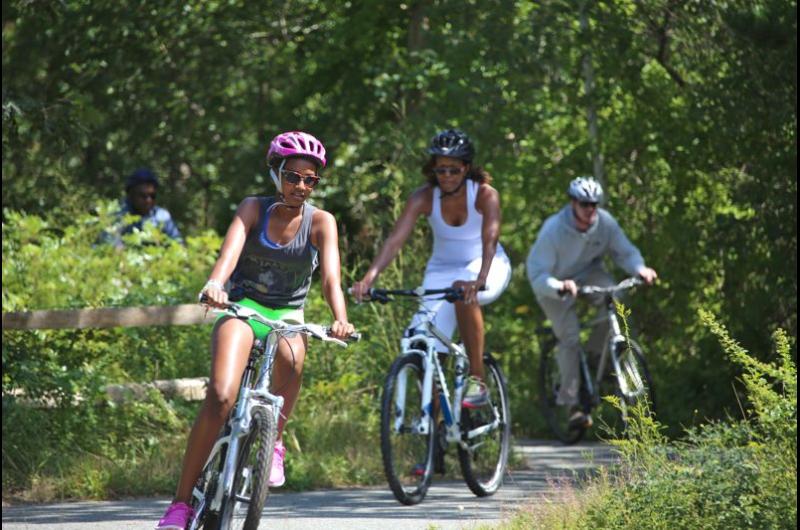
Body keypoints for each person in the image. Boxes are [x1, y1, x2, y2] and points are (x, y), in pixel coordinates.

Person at [155, 131, 355, 529]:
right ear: (276, 174)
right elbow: (229, 254)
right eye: (292, 176)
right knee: (220, 396)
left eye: (310, 180)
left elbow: (332, 278)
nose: (300, 186)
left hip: (288, 314)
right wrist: (215, 284)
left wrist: (340, 317)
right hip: (242, 306)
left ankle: (273, 440)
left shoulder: (321, 222)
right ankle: (179, 505)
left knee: (292, 357)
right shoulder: (253, 208)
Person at [351, 128, 511, 409]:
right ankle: (437, 425)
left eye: (453, 170)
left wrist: (480, 279)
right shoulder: (423, 197)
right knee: (420, 342)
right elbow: (395, 241)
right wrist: (368, 279)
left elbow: (490, 239)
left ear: (466, 168)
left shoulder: (485, 195)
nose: (447, 176)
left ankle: (477, 379)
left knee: (463, 292)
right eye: (441, 170)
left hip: (488, 264)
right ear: (432, 170)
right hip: (442, 269)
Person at [525, 176, 658, 430]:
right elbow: (536, 272)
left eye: (594, 204)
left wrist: (639, 269)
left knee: (616, 300)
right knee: (570, 337)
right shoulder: (553, 230)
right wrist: (558, 287)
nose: (590, 210)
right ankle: (572, 403)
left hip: (589, 275)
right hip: (554, 285)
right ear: (573, 203)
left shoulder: (604, 223)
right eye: (585, 204)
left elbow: (625, 252)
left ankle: (598, 356)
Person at [103, 168, 183, 248]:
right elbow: (111, 245)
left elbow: (178, 244)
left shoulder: (161, 216)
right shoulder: (118, 216)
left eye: (152, 196)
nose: (148, 200)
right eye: (143, 196)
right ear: (131, 195)